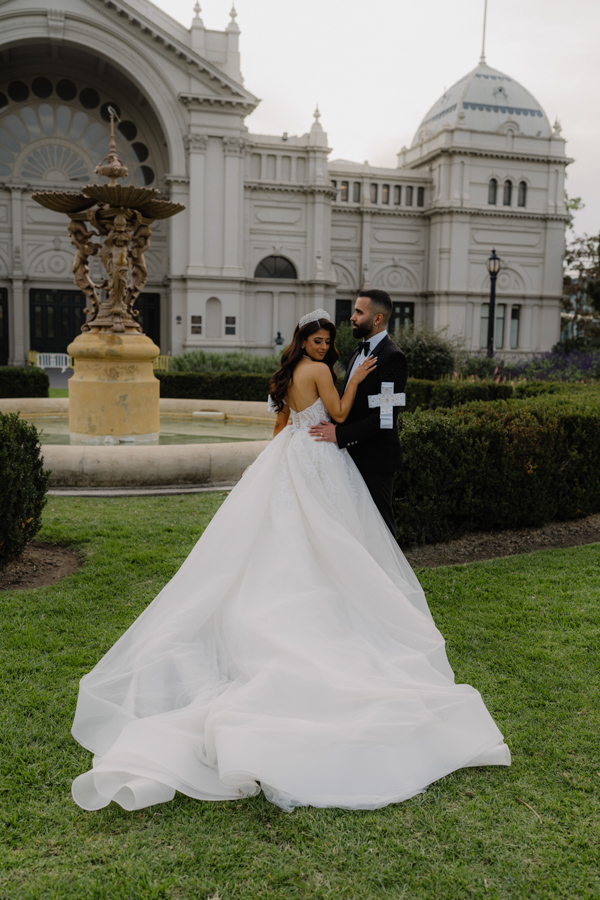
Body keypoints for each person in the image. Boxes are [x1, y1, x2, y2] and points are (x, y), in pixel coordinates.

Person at [71, 308, 510, 814]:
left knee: (287, 535)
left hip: (291, 454)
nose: (324, 347)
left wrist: (275, 461)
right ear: (305, 341)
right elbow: (340, 416)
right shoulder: (322, 372)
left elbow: (283, 425)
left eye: (327, 341)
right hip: (321, 456)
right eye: (318, 340)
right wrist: (358, 379)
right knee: (330, 536)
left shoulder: (285, 375)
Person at [309, 289, 406, 536]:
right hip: (348, 457)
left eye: (358, 312)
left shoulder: (392, 357)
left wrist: (339, 435)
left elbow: (384, 418)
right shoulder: (358, 350)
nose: (352, 317)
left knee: (380, 531)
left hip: (375, 461)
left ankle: (388, 576)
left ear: (377, 319)